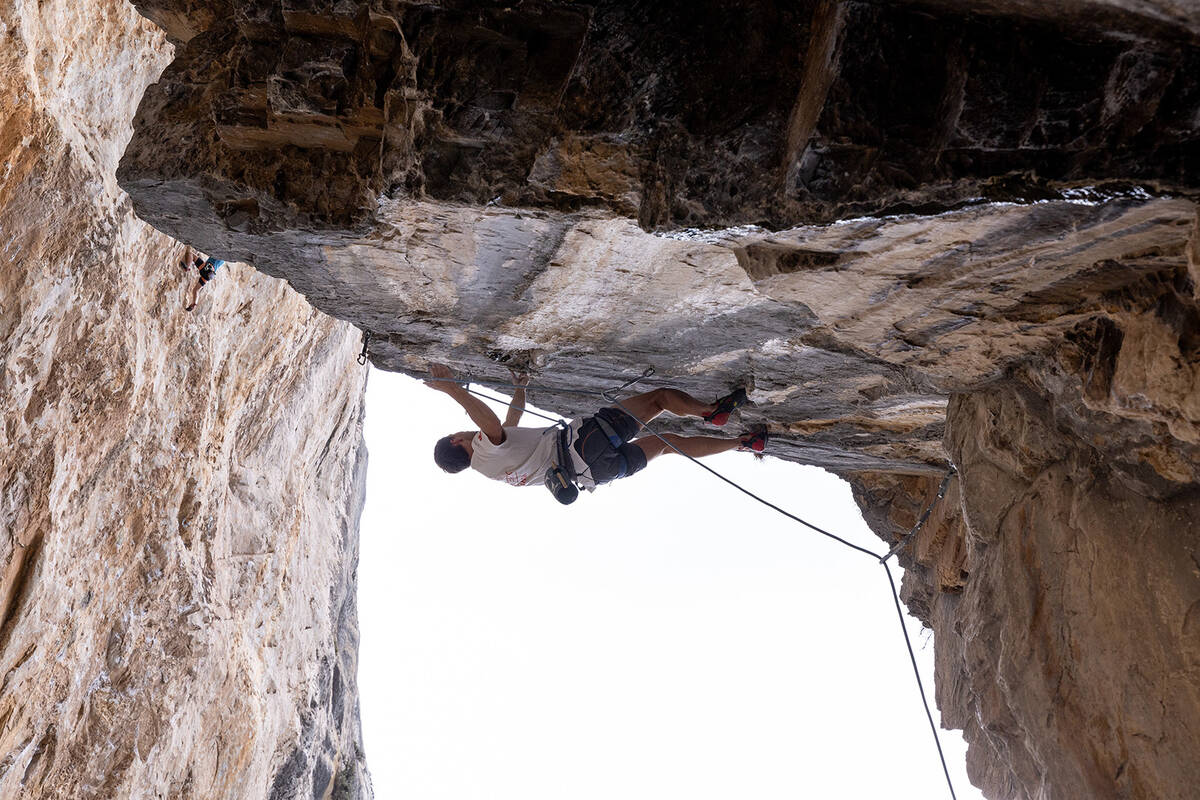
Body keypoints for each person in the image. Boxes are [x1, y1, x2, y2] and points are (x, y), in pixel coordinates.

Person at [424, 363, 766, 495]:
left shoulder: (497, 468)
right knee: (659, 399)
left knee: (667, 444)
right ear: (457, 440)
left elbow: (511, 422)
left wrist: (520, 386)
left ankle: (744, 443)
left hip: (594, 472)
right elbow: (493, 425)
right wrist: (452, 387)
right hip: (584, 443)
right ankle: (712, 411)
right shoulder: (484, 450)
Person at [178, 246, 226, 311]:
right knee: (196, 290)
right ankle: (194, 304)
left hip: (206, 267)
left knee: (191, 254)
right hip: (208, 275)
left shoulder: (221, 251)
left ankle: (187, 267)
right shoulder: (224, 259)